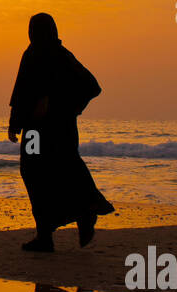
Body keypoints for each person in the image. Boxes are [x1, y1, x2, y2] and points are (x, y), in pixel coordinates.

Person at [7, 13, 115, 252]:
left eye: (36, 29)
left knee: (66, 171)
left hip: (59, 129)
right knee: (34, 176)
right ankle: (45, 235)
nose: (32, 34)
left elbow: (91, 87)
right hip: (34, 132)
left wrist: (56, 104)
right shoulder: (31, 54)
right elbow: (22, 90)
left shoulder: (61, 56)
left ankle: (86, 213)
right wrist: (15, 123)